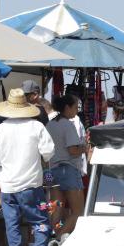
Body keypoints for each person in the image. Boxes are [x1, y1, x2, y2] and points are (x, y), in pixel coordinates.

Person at [0, 87, 57, 246]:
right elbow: (49, 152)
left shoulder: (0, 129)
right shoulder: (36, 126)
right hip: (31, 185)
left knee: (11, 222)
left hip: (7, 186)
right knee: (40, 219)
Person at [45, 95, 88, 234]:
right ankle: (59, 239)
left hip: (52, 170)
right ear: (67, 107)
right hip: (68, 169)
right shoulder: (68, 125)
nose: (77, 111)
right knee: (78, 212)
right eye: (75, 107)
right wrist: (85, 148)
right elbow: (73, 150)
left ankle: (51, 237)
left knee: (56, 208)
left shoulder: (50, 124)